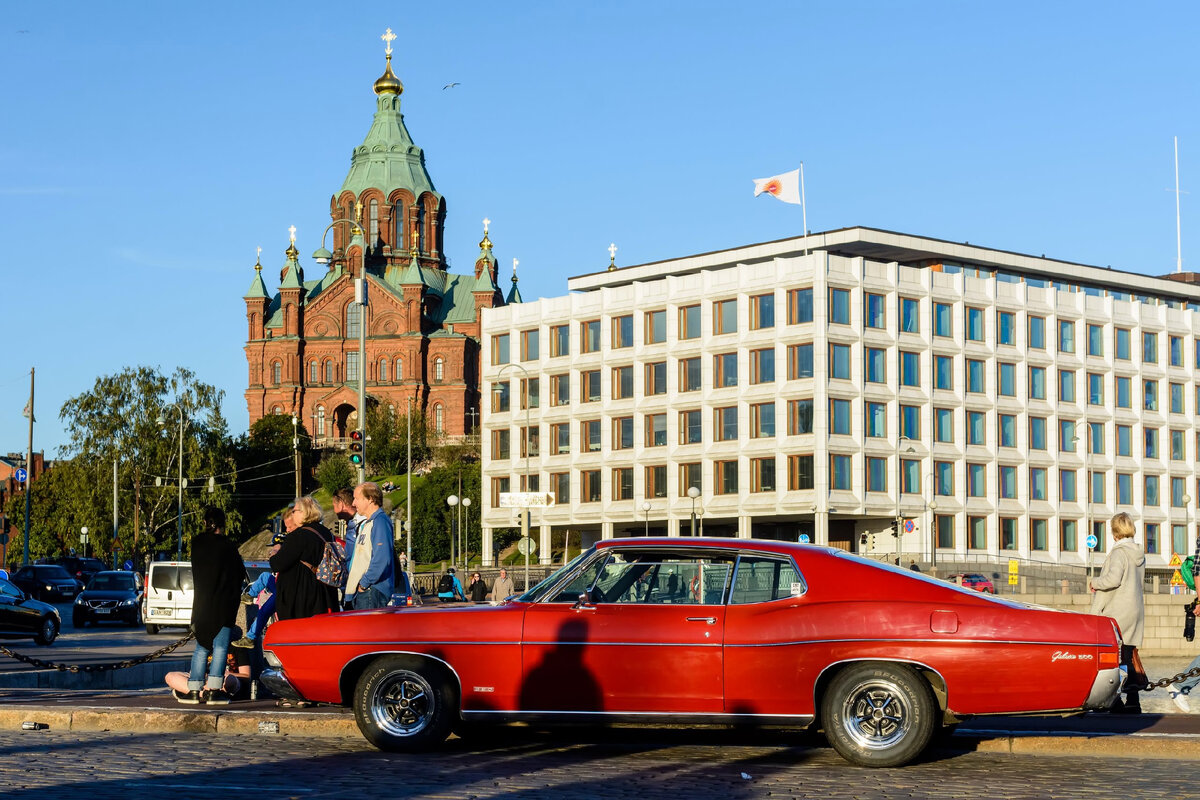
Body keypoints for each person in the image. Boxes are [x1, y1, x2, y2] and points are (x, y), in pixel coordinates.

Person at [179, 506, 244, 705]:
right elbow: (238, 574)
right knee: (220, 647)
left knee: (201, 647)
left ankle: (193, 690)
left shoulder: (197, 543)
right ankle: (214, 690)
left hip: (201, 605)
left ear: (206, 522)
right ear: (222, 524)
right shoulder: (227, 546)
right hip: (223, 604)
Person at [1090, 511, 1147, 714]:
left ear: (1115, 533)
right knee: (1128, 655)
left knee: (1110, 656)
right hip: (1135, 610)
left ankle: (1110, 701)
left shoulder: (1119, 552)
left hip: (1117, 611)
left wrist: (1094, 582)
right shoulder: (1139, 554)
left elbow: (1113, 580)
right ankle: (1132, 701)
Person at [270, 496, 339, 621]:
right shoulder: (326, 533)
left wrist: (275, 552)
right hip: (324, 594)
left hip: (302, 599)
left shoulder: (299, 536)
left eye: (294, 511)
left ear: (303, 512)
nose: (293, 513)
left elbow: (277, 563)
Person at [343, 481, 395, 609]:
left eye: (356, 498)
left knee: (368, 629)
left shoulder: (380, 521)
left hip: (372, 591)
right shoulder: (369, 523)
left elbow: (382, 559)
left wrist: (364, 584)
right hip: (366, 591)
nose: (353, 503)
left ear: (370, 499)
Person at [167, 633, 252, 700]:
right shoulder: (205, 646)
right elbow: (193, 672)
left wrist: (227, 673)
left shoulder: (238, 648)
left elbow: (246, 675)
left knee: (229, 679)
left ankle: (185, 691)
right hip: (205, 680)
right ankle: (204, 694)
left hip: (225, 680)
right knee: (170, 676)